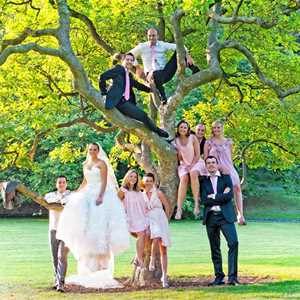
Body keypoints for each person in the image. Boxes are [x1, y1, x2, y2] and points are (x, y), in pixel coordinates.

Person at [56, 143, 130, 289]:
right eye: (90, 149)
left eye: (95, 149)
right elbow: (85, 181)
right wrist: (76, 193)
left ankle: (103, 267)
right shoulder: (86, 164)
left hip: (99, 194)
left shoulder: (102, 163)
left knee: (99, 226)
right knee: (84, 223)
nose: (92, 151)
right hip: (88, 193)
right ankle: (88, 265)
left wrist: (101, 196)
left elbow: (104, 181)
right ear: (88, 150)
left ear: (98, 151)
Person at [99, 52, 169, 138]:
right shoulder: (118, 69)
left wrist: (151, 90)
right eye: (127, 59)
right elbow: (102, 77)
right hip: (119, 102)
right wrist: (104, 93)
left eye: (131, 60)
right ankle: (158, 131)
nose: (129, 62)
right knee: (143, 116)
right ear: (123, 60)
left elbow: (137, 85)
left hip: (126, 102)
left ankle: (155, 131)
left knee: (141, 117)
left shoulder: (128, 75)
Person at [130, 28, 200, 104]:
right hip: (151, 77)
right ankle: (163, 96)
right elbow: (129, 54)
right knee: (155, 74)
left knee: (178, 51)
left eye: (153, 36)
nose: (151, 38)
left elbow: (179, 46)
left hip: (165, 73)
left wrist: (187, 55)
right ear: (147, 36)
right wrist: (137, 66)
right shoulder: (142, 47)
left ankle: (194, 69)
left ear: (157, 36)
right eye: (149, 36)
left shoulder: (162, 44)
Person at [201, 156, 239, 286]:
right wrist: (221, 196)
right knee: (214, 247)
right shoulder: (203, 181)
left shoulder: (226, 177)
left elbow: (229, 196)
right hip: (211, 216)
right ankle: (219, 277)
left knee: (233, 243)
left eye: (213, 162)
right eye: (208, 163)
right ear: (206, 165)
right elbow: (205, 200)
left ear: (217, 164)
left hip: (225, 216)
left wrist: (214, 196)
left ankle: (232, 277)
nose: (211, 165)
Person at [204, 120, 246, 225]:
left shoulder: (229, 142)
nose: (216, 129)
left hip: (229, 168)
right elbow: (206, 158)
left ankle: (240, 214)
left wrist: (229, 169)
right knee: (220, 191)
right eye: (214, 127)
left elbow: (229, 158)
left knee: (237, 188)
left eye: (218, 127)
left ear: (222, 128)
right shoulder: (208, 142)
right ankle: (219, 215)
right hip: (215, 169)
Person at [142, 173, 171, 288]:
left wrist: (166, 220)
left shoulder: (158, 193)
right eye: (146, 181)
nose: (148, 182)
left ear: (153, 182)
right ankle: (152, 259)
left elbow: (167, 206)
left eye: (150, 180)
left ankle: (164, 276)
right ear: (143, 182)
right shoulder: (141, 195)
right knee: (155, 235)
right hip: (149, 219)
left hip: (160, 217)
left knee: (163, 249)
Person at [174, 120, 208, 220]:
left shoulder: (192, 138)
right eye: (181, 127)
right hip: (184, 164)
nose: (183, 129)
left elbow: (198, 154)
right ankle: (179, 209)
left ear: (188, 129)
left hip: (196, 162)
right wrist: (182, 161)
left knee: (193, 173)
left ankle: (196, 204)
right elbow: (179, 157)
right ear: (178, 129)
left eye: (185, 127)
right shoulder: (176, 140)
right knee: (184, 178)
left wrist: (191, 165)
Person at [44, 176, 71, 292]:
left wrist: (60, 205)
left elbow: (66, 206)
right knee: (55, 257)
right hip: (53, 229)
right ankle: (57, 280)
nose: (61, 184)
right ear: (56, 184)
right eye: (59, 182)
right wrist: (60, 204)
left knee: (62, 256)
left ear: (66, 184)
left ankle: (61, 283)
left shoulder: (72, 196)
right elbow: (49, 203)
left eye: (63, 182)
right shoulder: (50, 195)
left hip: (66, 230)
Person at [118, 169, 148, 269]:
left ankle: (137, 257)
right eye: (131, 176)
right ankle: (139, 258)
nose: (133, 179)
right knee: (141, 235)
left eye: (135, 177)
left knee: (146, 236)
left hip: (142, 216)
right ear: (127, 177)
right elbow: (116, 203)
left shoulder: (139, 190)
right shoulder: (123, 190)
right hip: (131, 217)